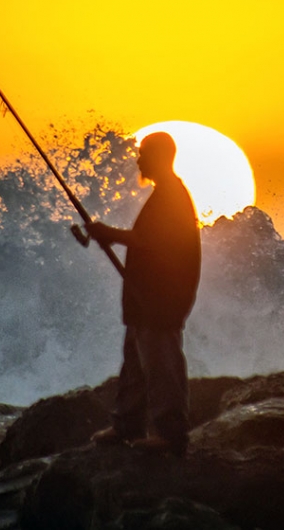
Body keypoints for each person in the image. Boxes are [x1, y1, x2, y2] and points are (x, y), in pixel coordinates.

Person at [86, 131, 202, 456]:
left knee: (161, 365)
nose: (138, 160)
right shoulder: (165, 194)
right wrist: (108, 236)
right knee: (135, 365)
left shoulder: (171, 196)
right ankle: (126, 425)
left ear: (161, 157)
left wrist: (106, 233)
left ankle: (170, 434)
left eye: (144, 154)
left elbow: (147, 240)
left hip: (161, 300)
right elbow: (145, 240)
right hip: (145, 298)